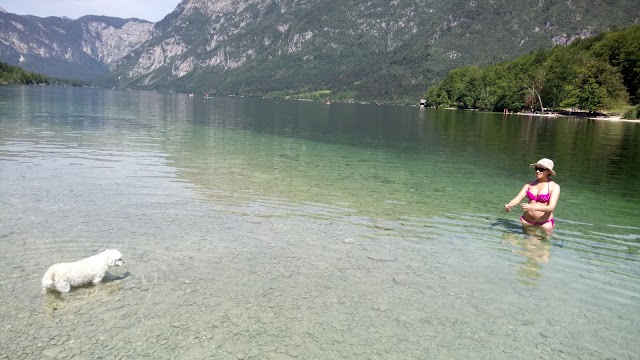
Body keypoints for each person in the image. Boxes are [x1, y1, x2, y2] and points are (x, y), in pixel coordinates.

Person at [504, 158, 560, 236]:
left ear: (548, 171)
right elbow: (518, 198)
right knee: (528, 244)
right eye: (536, 168)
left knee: (545, 245)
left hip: (545, 223)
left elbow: (551, 208)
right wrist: (509, 205)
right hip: (527, 221)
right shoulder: (529, 184)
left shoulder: (554, 187)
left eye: (541, 169)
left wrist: (532, 207)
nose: (537, 171)